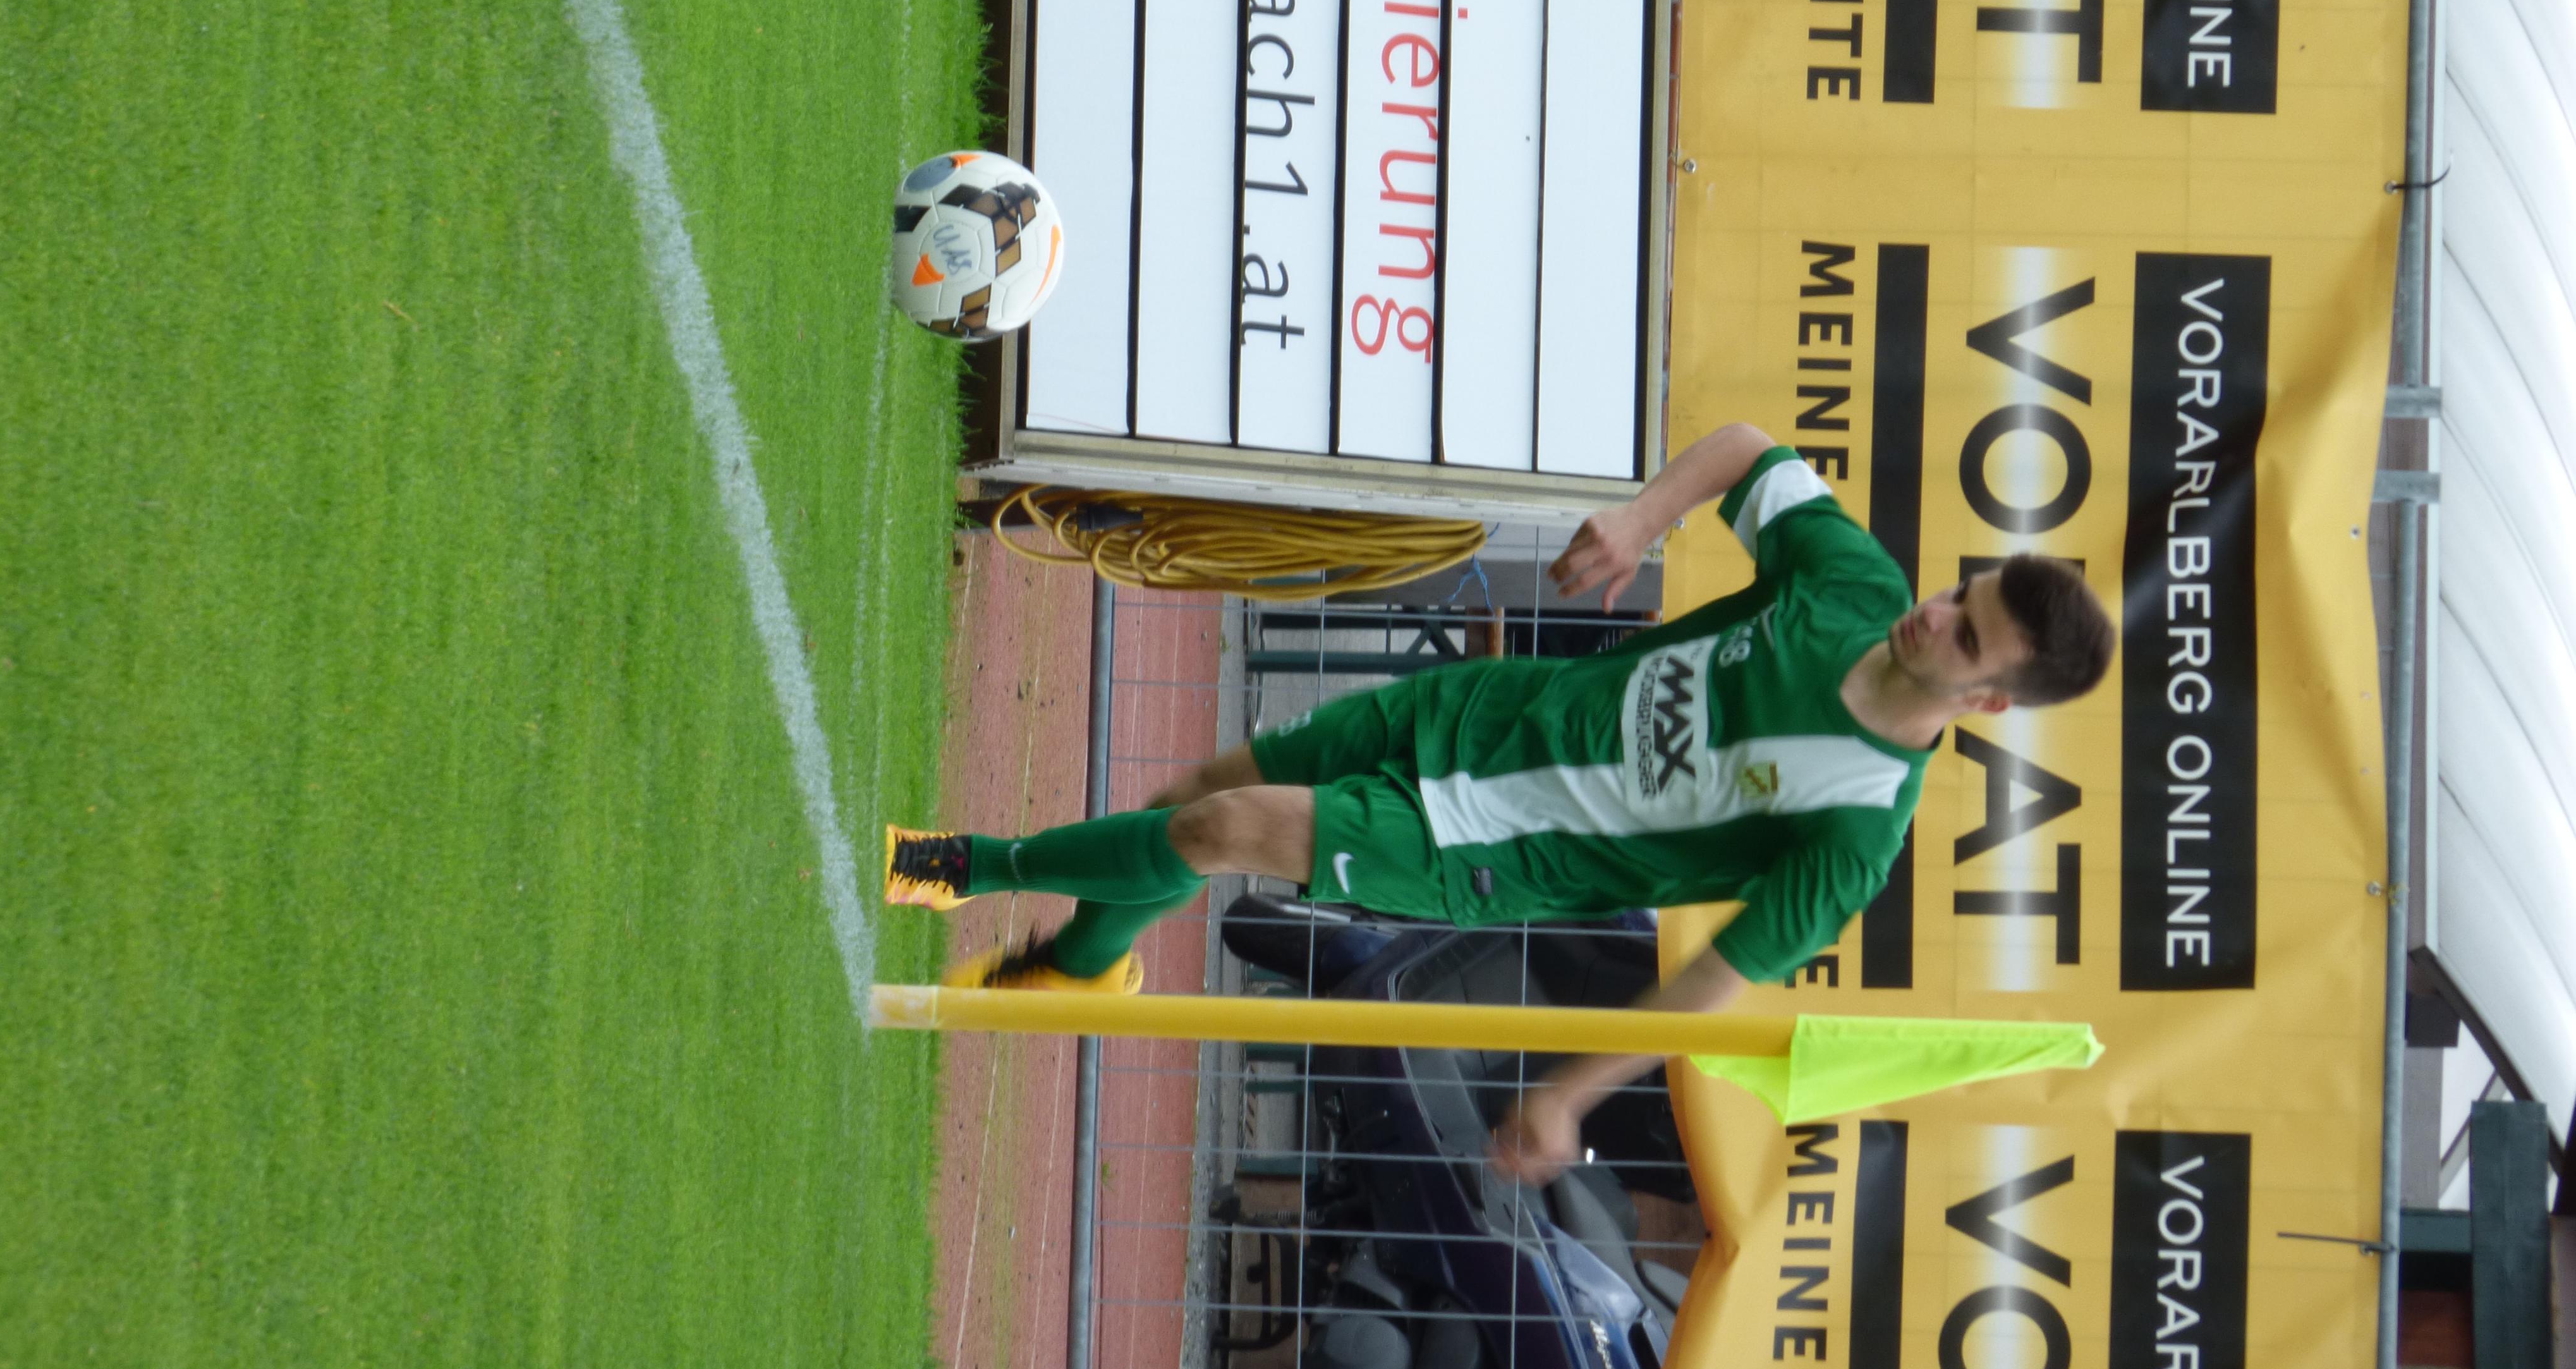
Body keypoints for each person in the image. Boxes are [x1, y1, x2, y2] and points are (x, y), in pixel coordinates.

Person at [884, 422, 2114, 1184]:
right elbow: (1748, 449)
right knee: (1196, 796)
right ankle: (1082, 968)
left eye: (1966, 638)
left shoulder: (1855, 830)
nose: (1933, 617)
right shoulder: (1853, 587)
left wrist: (1569, 1094)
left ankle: (958, 866)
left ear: (1987, 702)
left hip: (1489, 849)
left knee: (1217, 831)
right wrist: (1639, 518)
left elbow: (1711, 983)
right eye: (1959, 594)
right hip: (1481, 709)